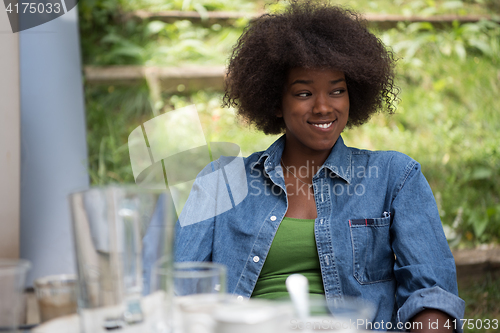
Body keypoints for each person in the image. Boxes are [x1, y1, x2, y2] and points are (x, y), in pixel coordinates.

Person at [175, 1, 465, 331]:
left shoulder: (394, 177)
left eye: (337, 90)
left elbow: (433, 295)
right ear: (275, 102)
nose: (324, 107)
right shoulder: (220, 183)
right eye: (303, 93)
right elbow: (176, 287)